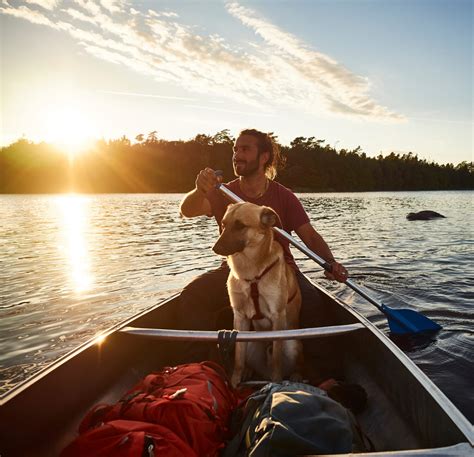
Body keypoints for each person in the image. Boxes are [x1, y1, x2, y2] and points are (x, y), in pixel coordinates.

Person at [177, 128, 348, 372]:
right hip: (234, 271)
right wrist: (199, 190)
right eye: (235, 149)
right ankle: (199, 370)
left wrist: (330, 263)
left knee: (315, 306)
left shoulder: (284, 196)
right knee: (193, 296)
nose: (237, 154)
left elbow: (308, 235)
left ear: (264, 157)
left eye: (245, 149)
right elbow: (188, 210)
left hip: (279, 270)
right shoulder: (222, 192)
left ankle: (322, 377)